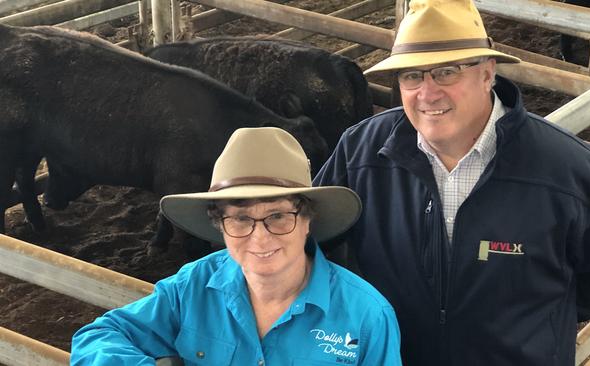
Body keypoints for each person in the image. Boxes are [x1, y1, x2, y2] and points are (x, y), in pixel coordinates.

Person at [313, 0, 590, 365]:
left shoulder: (568, 170)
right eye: (412, 75)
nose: (427, 93)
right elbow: (316, 242)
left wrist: (536, 326)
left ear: (488, 73)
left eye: (446, 72)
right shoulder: (362, 153)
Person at [70, 127, 402, 365]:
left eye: (278, 216)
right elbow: (98, 337)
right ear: (220, 225)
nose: (260, 238)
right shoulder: (192, 285)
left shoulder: (367, 315)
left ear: (307, 220)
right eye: (240, 219)